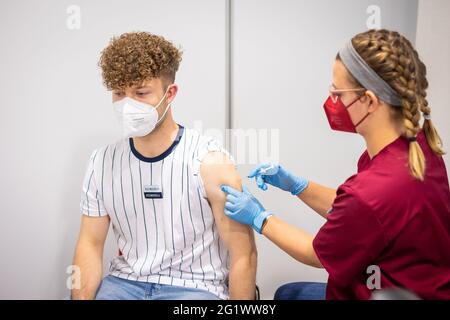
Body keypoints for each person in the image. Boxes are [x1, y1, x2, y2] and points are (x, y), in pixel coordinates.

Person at [221, 29, 450, 300]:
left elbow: (316, 253)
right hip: (419, 289)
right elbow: (363, 217)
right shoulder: (419, 149)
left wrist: (260, 217)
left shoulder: (373, 191)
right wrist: (298, 186)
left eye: (338, 93)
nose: (333, 102)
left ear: (369, 100)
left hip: (380, 293)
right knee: (289, 294)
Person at [71, 32, 257, 300]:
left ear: (170, 94)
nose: (127, 104)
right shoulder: (101, 162)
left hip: (195, 288)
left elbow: (244, 254)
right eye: (119, 93)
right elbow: (90, 244)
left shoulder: (210, 162)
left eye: (141, 93)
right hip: (124, 284)